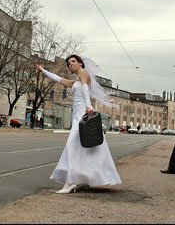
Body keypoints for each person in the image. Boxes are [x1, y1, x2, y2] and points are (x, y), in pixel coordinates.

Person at [36, 54, 121, 194]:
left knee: (72, 145)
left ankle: (70, 182)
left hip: (83, 113)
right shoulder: (76, 78)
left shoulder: (83, 72)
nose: (71, 64)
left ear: (81, 63)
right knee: (85, 149)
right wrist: (43, 70)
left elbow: (86, 89)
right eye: (69, 63)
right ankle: (83, 180)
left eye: (73, 61)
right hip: (77, 114)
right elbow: (60, 80)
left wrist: (88, 106)